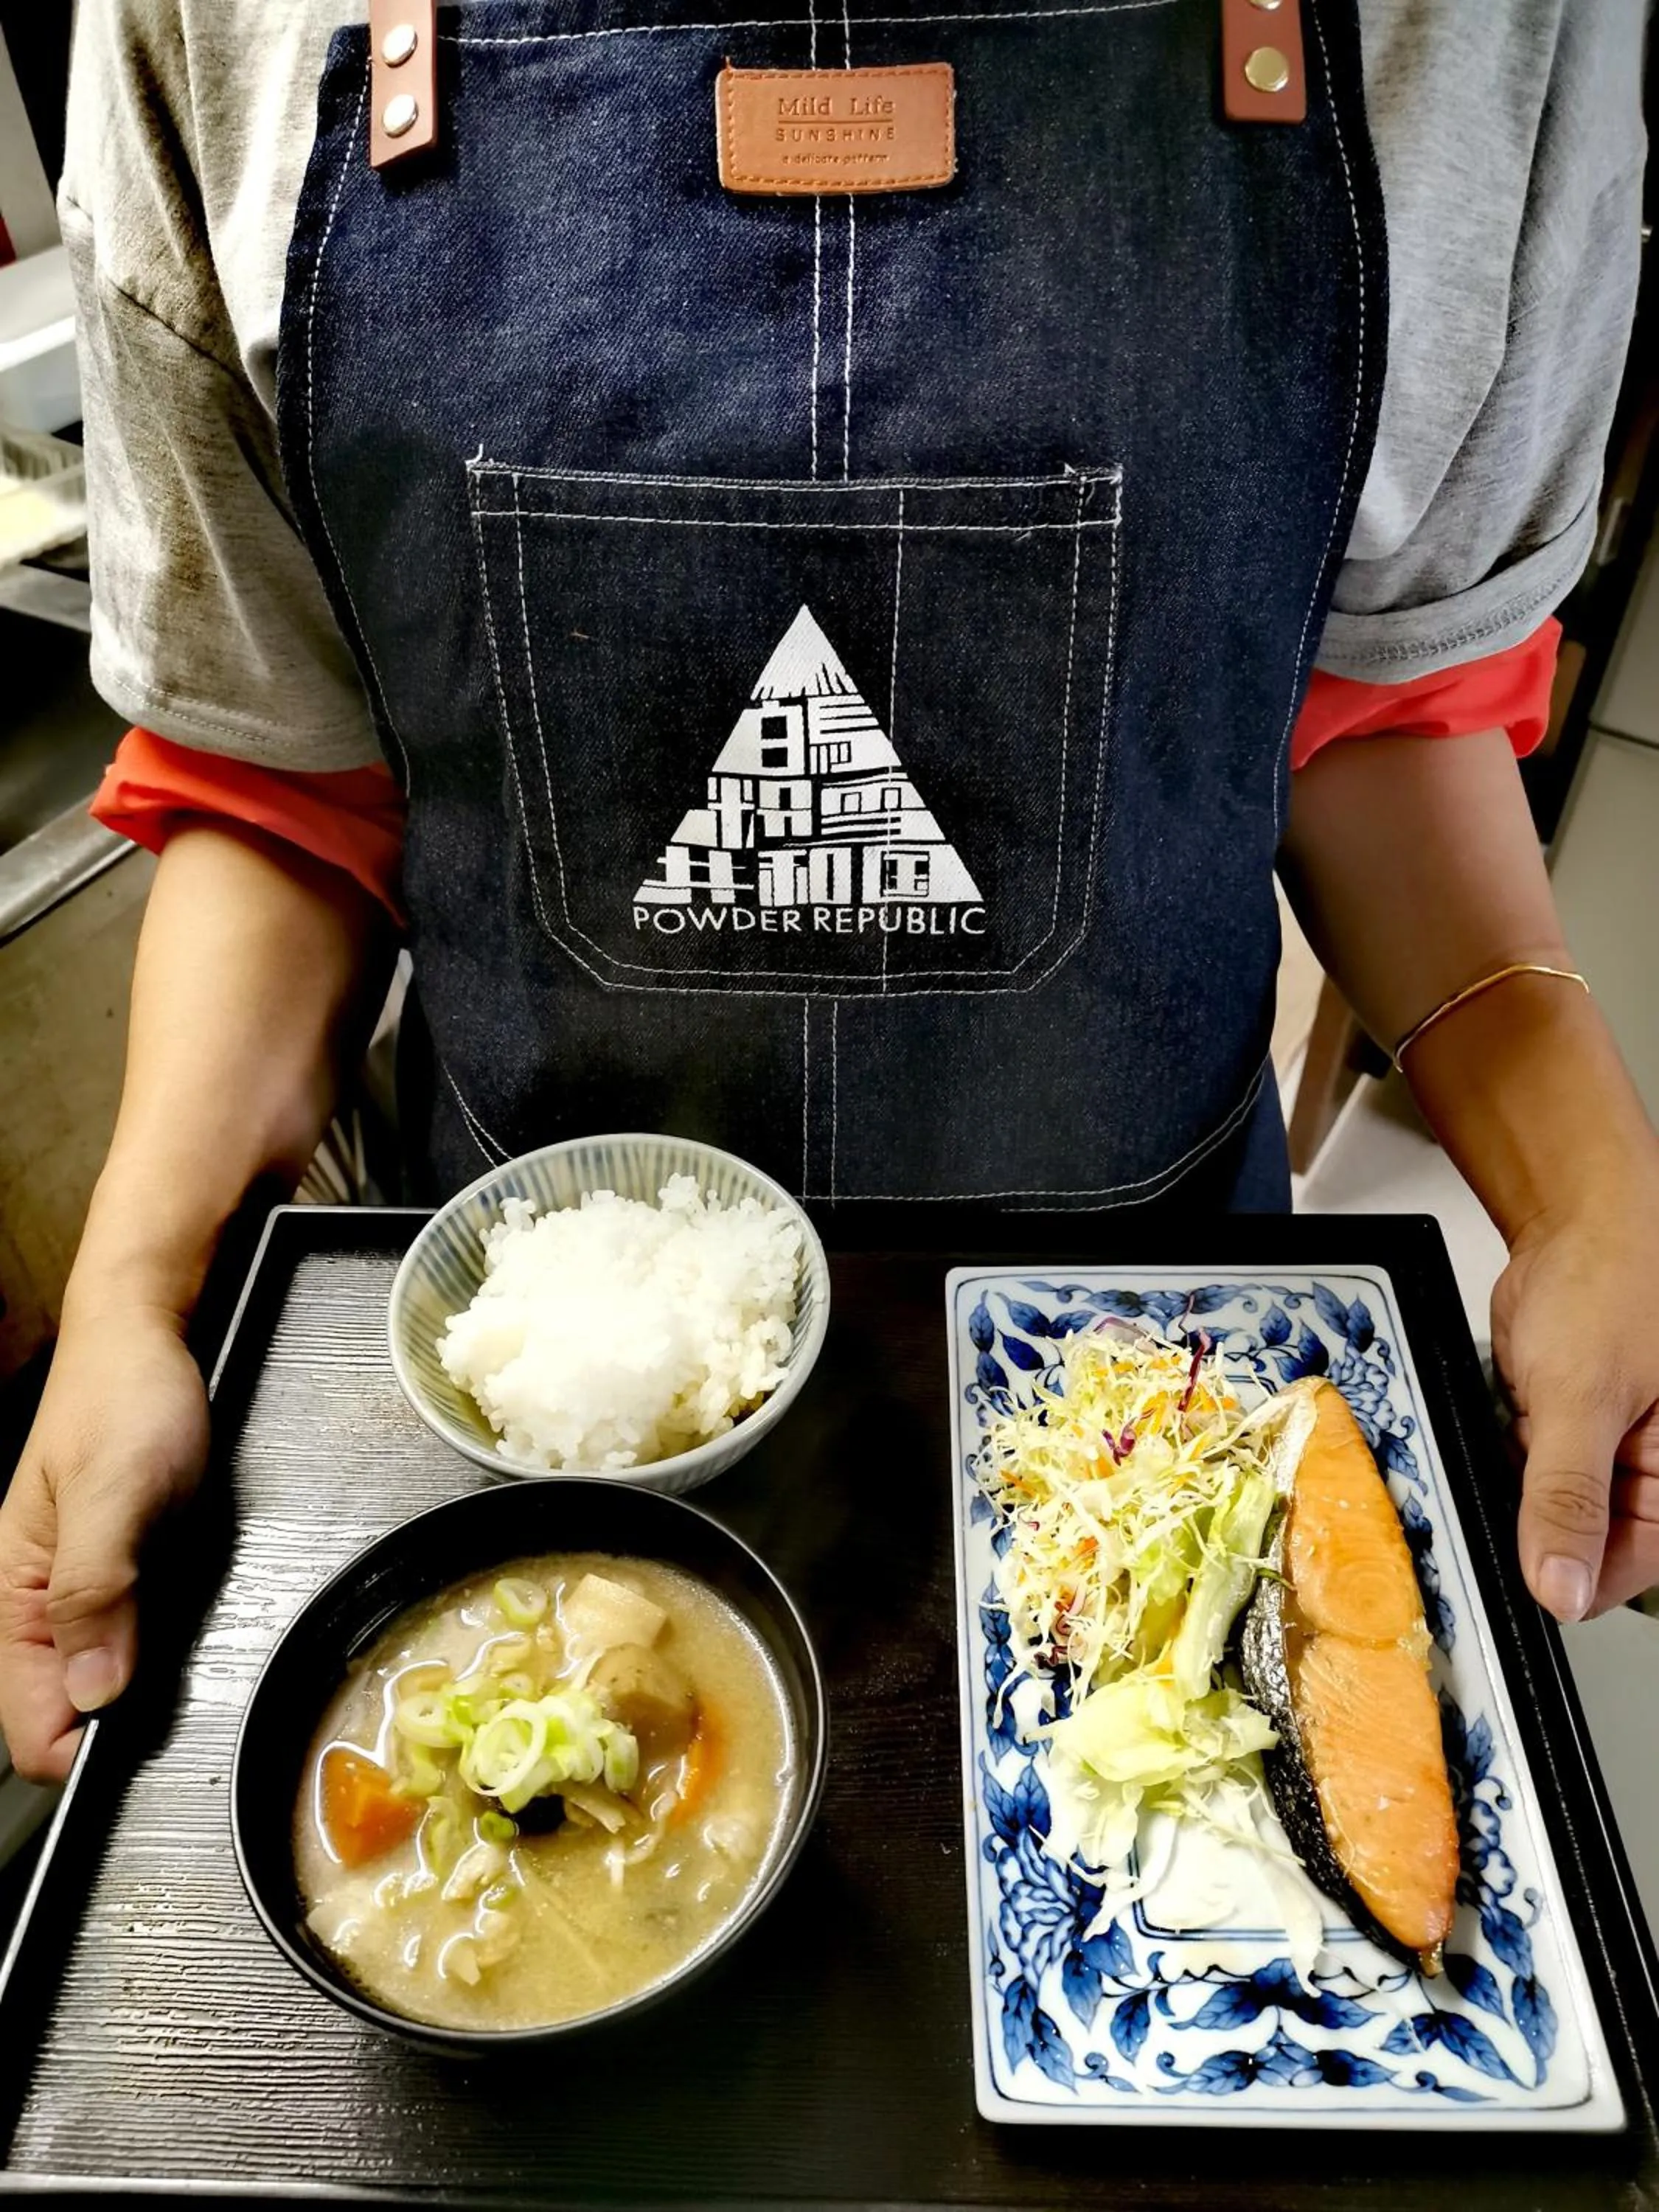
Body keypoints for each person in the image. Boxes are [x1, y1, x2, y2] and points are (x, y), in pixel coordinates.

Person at [0, 0, 1655, 1787]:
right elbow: (280, 779)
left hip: (1165, 1411)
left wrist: (1586, 1197)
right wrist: (134, 1294)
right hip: (540, 1411)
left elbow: (1374, 708)